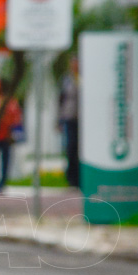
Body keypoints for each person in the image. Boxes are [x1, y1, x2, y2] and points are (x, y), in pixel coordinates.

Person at [58, 56, 80, 188]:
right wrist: (59, 119)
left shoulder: (85, 77)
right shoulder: (66, 79)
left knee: (81, 149)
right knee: (70, 147)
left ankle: (81, 177)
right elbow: (60, 99)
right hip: (69, 117)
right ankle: (71, 178)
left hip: (83, 119)